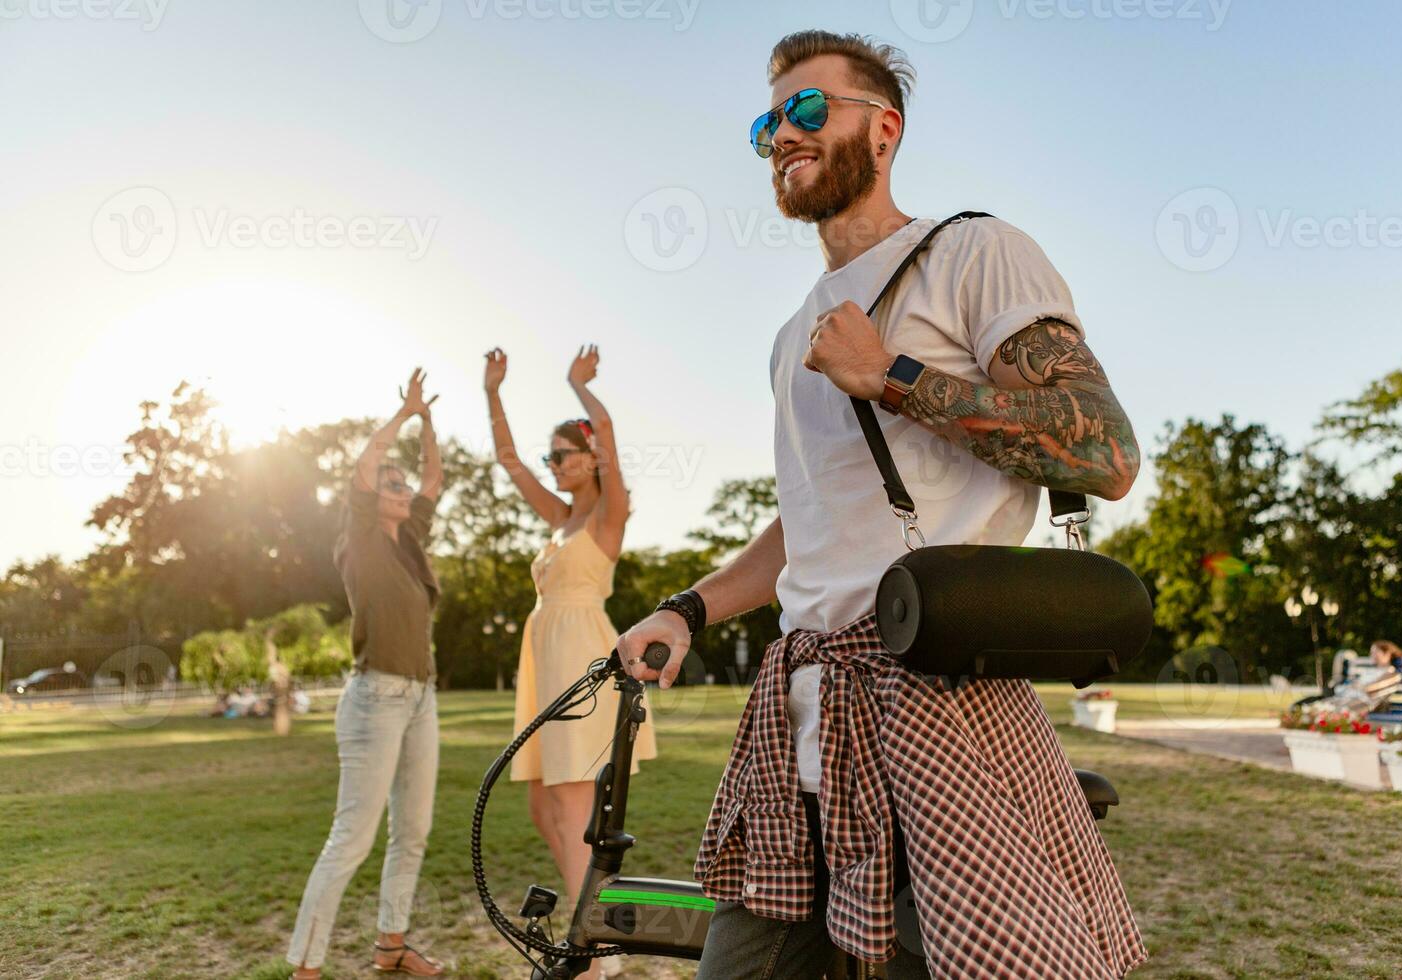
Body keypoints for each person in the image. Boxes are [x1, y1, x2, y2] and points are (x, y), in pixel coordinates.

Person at [616, 30, 1148, 979]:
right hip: (801, 713)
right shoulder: (793, 337)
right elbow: (806, 523)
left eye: (809, 110)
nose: (784, 132)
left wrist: (889, 374)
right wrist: (687, 608)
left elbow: (1103, 451)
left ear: (885, 128)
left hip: (936, 702)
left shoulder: (974, 252)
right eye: (767, 122)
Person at [487, 343, 656, 980]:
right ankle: (592, 930)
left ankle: (591, 950)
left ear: (590, 460)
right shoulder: (558, 518)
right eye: (549, 457)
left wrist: (575, 385)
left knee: (571, 807)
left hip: (582, 655)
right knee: (541, 808)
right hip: (544, 656)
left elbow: (607, 430)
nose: (551, 465)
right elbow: (507, 462)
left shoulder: (609, 516)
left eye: (561, 455)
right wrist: (493, 393)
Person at [287, 369, 446, 979]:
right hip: (374, 698)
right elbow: (365, 466)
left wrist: (429, 423)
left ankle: (391, 948)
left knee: (412, 834)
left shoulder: (411, 540)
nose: (404, 487)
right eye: (392, 483)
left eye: (402, 483)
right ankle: (306, 967)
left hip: (421, 699)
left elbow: (433, 477)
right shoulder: (358, 536)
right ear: (370, 495)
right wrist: (403, 414)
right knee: (351, 838)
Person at [1311, 639, 1402, 718]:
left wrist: (1358, 686)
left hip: (1365, 702)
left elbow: (1370, 689)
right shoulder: (1371, 671)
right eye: (1372, 652)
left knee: (1331, 711)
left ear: (1387, 653)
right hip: (1351, 697)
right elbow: (1356, 685)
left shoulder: (1391, 673)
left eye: (1376, 652)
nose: (1373, 655)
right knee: (1320, 706)